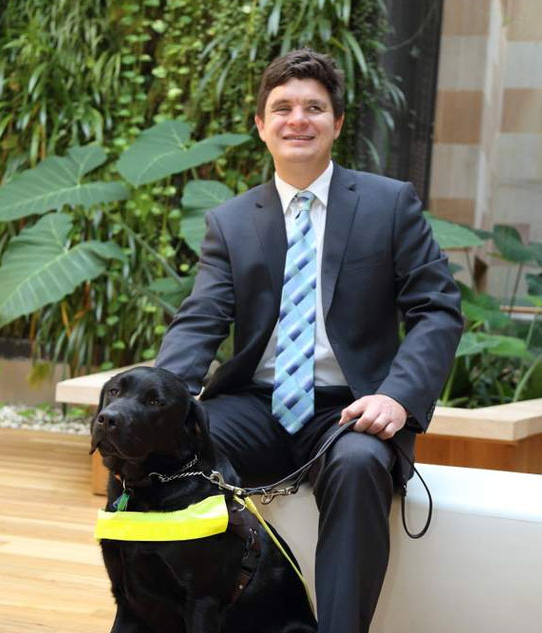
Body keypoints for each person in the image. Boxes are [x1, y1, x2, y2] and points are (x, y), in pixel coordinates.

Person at [156, 48, 463, 632]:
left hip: (350, 407)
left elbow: (437, 309)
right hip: (256, 403)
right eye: (283, 108)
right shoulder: (231, 221)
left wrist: (396, 396)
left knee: (358, 463)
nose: (298, 119)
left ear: (337, 124)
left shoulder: (387, 203)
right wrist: (164, 399)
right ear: (261, 126)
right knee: (175, 444)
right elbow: (202, 320)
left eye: (314, 108)